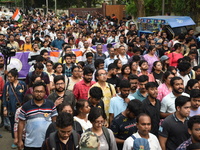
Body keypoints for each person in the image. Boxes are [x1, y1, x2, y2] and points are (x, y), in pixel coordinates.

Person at [18, 81, 58, 150]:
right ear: (33, 92)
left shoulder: (51, 105)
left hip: (47, 142)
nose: (39, 94)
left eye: (41, 91)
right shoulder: (26, 106)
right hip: (30, 143)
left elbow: (54, 122)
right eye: (36, 91)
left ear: (45, 93)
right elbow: (21, 123)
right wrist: (19, 140)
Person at [2, 68, 26, 149]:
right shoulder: (7, 85)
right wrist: (5, 108)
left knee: (22, 124)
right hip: (11, 109)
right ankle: (15, 140)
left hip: (21, 110)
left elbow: (26, 97)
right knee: (13, 124)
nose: (9, 78)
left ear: (16, 77)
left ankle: (22, 139)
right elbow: (4, 97)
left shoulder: (22, 84)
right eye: (8, 77)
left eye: (11, 77)